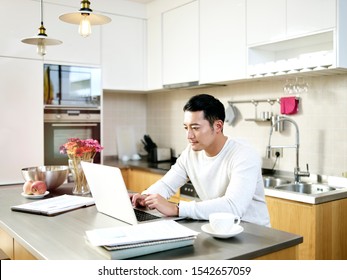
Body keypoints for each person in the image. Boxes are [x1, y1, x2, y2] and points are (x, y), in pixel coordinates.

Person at [131, 94, 270, 227]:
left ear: (218, 126)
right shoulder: (190, 153)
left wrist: (176, 209)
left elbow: (234, 206)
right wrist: (145, 197)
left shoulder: (244, 154)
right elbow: (167, 185)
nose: (189, 135)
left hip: (253, 234)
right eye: (186, 128)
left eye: (195, 128)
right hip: (218, 229)